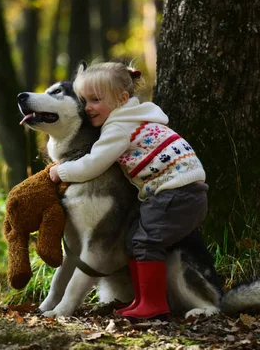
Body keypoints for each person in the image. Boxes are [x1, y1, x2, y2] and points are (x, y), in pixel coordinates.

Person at [50, 61, 208, 320]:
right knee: (135, 238)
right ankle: (143, 299)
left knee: (146, 241)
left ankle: (155, 303)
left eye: (95, 100)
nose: (87, 107)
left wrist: (61, 172)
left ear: (122, 99)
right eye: (84, 100)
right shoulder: (139, 117)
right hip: (181, 189)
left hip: (176, 192)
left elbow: (94, 163)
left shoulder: (119, 127)